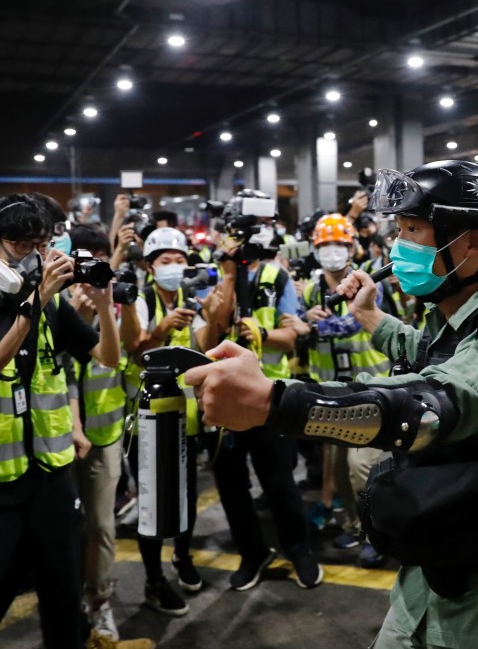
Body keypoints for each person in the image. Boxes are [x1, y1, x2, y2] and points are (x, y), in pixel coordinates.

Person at [186, 160, 478, 649]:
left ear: (469, 241)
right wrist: (371, 318)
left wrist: (275, 402)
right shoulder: (459, 315)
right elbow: (433, 359)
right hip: (449, 559)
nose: (397, 246)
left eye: (413, 230)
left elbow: (428, 409)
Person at [0, 193, 120, 648]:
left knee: (62, 598)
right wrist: (39, 295)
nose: (34, 255)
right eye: (21, 245)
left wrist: (106, 297)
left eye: (41, 244)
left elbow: (107, 357)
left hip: (50, 479)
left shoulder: (53, 306)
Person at [205, 190, 324, 591]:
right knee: (232, 485)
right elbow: (214, 327)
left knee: (279, 481)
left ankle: (298, 549)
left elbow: (292, 337)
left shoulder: (277, 276)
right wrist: (227, 274)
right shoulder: (215, 272)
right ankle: (251, 553)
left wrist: (263, 333)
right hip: (222, 400)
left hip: (269, 398)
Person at [119, 226, 220, 615]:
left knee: (186, 496)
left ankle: (182, 556)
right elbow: (134, 348)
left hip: (184, 418)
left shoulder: (187, 296)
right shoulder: (140, 299)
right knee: (152, 500)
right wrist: (163, 328)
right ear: (149, 266)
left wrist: (209, 311)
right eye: (166, 261)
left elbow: (206, 346)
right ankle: (154, 579)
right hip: (145, 418)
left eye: (180, 260)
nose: (175, 267)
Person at [300, 214, 391, 564]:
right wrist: (305, 319)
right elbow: (293, 324)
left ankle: (378, 535)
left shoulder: (367, 281)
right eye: (325, 246)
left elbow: (348, 324)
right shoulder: (310, 288)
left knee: (361, 468)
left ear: (351, 246)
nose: (333, 252)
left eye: (339, 244)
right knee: (338, 468)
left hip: (370, 390)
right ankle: (353, 527)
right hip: (331, 392)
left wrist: (311, 325)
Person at [63, 224, 136, 638]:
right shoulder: (53, 305)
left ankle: (100, 601)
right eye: (82, 258)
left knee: (102, 526)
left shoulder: (117, 301)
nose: (90, 266)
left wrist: (107, 306)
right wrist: (77, 315)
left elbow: (120, 355)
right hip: (55, 439)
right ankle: (66, 599)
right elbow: (57, 369)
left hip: (105, 436)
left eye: (98, 257)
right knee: (62, 528)